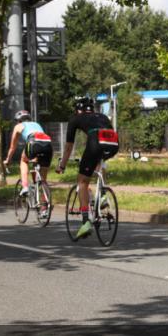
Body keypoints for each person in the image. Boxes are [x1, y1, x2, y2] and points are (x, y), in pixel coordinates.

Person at [56, 96, 118, 239]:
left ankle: (85, 222)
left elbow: (69, 147)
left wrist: (62, 165)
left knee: (82, 182)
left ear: (79, 110)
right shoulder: (102, 116)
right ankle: (102, 195)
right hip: (113, 142)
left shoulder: (75, 118)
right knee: (99, 161)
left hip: (96, 141)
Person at [4, 109, 53, 200]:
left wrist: (8, 160)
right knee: (43, 180)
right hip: (48, 144)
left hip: (33, 141)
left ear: (19, 120)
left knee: (23, 160)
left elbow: (12, 147)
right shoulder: (37, 124)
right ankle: (45, 205)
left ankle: (25, 186)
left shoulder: (18, 126)